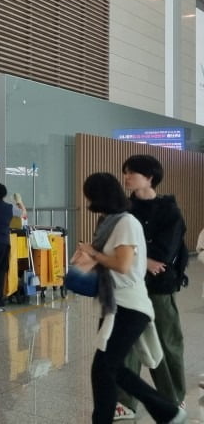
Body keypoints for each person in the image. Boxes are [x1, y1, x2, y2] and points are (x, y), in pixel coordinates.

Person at [75, 172, 184, 424]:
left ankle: (168, 410)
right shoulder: (111, 222)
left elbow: (122, 265)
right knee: (110, 369)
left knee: (104, 369)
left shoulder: (125, 223)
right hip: (115, 304)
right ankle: (167, 411)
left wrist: (93, 253)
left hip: (129, 307)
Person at [115, 155, 187, 419]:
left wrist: (138, 256)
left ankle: (173, 398)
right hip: (129, 284)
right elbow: (116, 244)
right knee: (127, 343)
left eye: (132, 173)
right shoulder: (124, 209)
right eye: (126, 172)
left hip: (160, 286)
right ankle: (124, 401)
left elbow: (165, 253)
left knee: (167, 341)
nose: (127, 177)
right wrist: (144, 260)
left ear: (150, 177)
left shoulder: (169, 210)